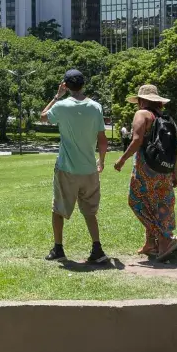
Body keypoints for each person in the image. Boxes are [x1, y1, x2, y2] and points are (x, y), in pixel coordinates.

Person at [40, 69, 109, 264]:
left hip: (67, 169)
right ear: (83, 84)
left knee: (58, 209)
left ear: (66, 86)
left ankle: (58, 248)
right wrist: (101, 161)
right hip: (89, 169)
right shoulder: (96, 107)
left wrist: (56, 96)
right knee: (90, 211)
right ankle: (97, 249)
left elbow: (43, 116)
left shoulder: (62, 106)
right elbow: (102, 140)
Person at [114, 84, 177, 261]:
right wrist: (174, 172)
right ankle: (151, 243)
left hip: (147, 169)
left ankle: (164, 240)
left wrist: (122, 159)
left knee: (136, 202)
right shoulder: (167, 118)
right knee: (159, 203)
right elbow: (175, 148)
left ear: (142, 100)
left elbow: (136, 140)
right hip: (164, 169)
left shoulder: (141, 114)